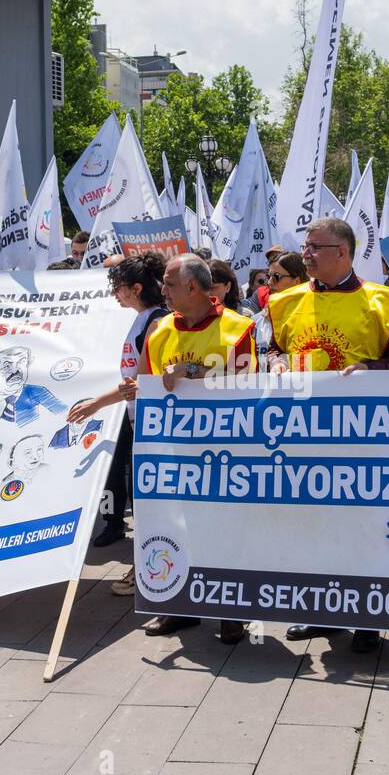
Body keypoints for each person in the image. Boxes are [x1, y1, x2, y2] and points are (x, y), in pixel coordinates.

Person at [269, 218, 389, 653]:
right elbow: (275, 348)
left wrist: (371, 369)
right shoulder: (283, 301)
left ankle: (367, 617)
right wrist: (275, 361)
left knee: (364, 526)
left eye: (315, 247)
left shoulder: (387, 302)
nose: (305, 254)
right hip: (301, 434)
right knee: (312, 525)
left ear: (343, 253)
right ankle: (320, 610)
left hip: (364, 435)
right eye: (306, 246)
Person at [137, 255, 256, 643]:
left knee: (227, 531)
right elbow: (144, 384)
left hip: (227, 453)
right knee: (177, 527)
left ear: (191, 287)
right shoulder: (159, 330)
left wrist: (192, 372)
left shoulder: (238, 327)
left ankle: (231, 611)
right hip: (175, 452)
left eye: (169, 284)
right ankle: (179, 607)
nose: (163, 291)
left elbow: (247, 384)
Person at [69, 253, 169, 558]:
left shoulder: (156, 321)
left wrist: (96, 403)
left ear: (136, 289)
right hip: (135, 415)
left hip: (150, 419)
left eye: (118, 287)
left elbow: (138, 382)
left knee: (143, 492)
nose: (114, 293)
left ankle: (146, 558)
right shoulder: (140, 318)